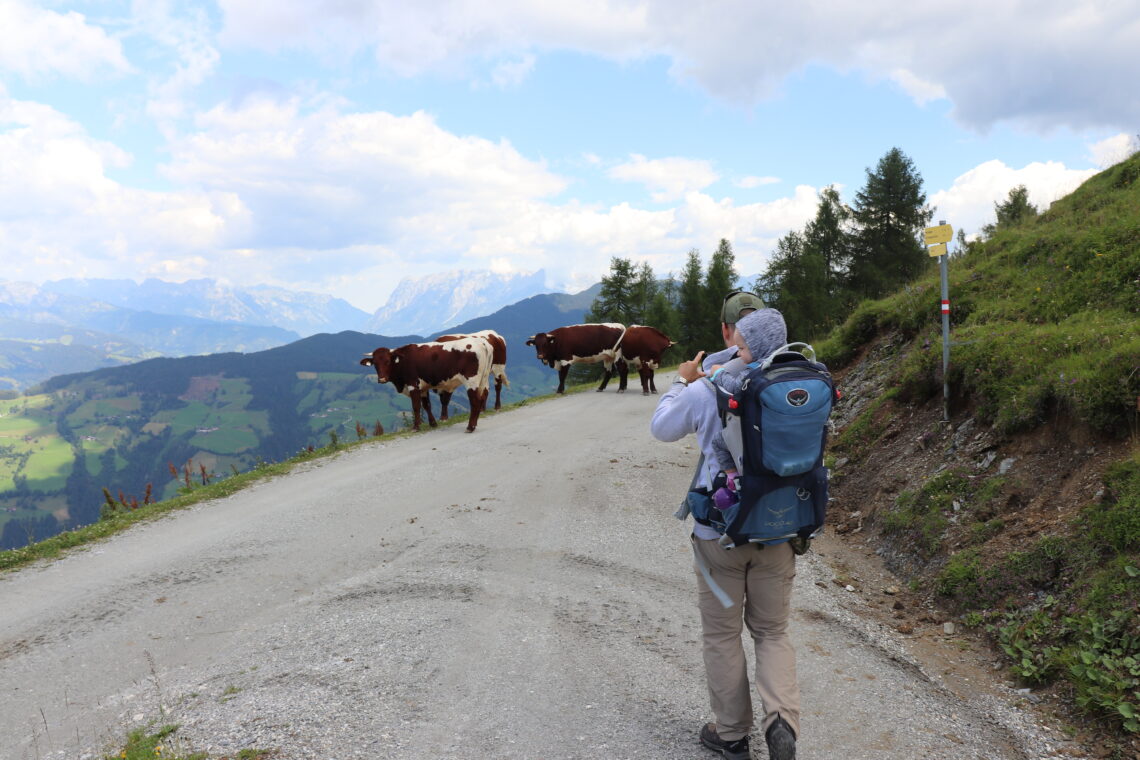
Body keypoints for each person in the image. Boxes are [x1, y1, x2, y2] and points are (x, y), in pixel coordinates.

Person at [649, 291, 799, 760]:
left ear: (729, 333)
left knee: (722, 634)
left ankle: (732, 734)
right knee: (772, 633)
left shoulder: (706, 388)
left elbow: (661, 429)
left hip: (721, 532)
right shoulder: (799, 383)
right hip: (780, 527)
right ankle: (782, 723)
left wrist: (680, 381)